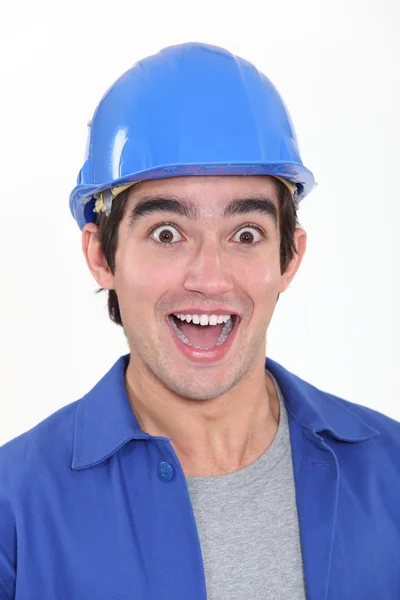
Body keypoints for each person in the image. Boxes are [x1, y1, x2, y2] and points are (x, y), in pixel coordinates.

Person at [0, 42, 399, 600]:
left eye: (245, 235)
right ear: (101, 255)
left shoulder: (392, 472)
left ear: (289, 258)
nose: (210, 278)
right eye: (167, 233)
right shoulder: (13, 506)